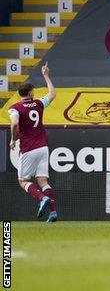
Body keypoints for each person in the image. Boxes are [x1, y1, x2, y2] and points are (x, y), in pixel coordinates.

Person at [8, 62, 58, 222]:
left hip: (28, 148)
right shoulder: (38, 104)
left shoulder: (15, 107)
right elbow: (52, 93)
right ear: (30, 93)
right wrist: (46, 76)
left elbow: (15, 123)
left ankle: (41, 198)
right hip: (43, 147)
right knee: (43, 181)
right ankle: (53, 212)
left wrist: (12, 139)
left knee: (23, 181)